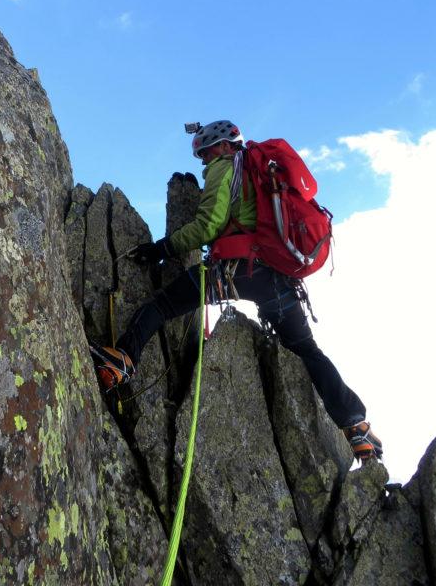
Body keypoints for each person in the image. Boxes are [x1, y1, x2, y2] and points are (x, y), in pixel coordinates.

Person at [90, 120, 383, 463]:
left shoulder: (225, 167)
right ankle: (356, 426)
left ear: (223, 146)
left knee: (163, 305)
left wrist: (163, 249)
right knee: (306, 349)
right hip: (277, 279)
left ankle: (122, 361)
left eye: (206, 153)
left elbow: (209, 224)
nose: (203, 162)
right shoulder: (262, 173)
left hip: (235, 270)